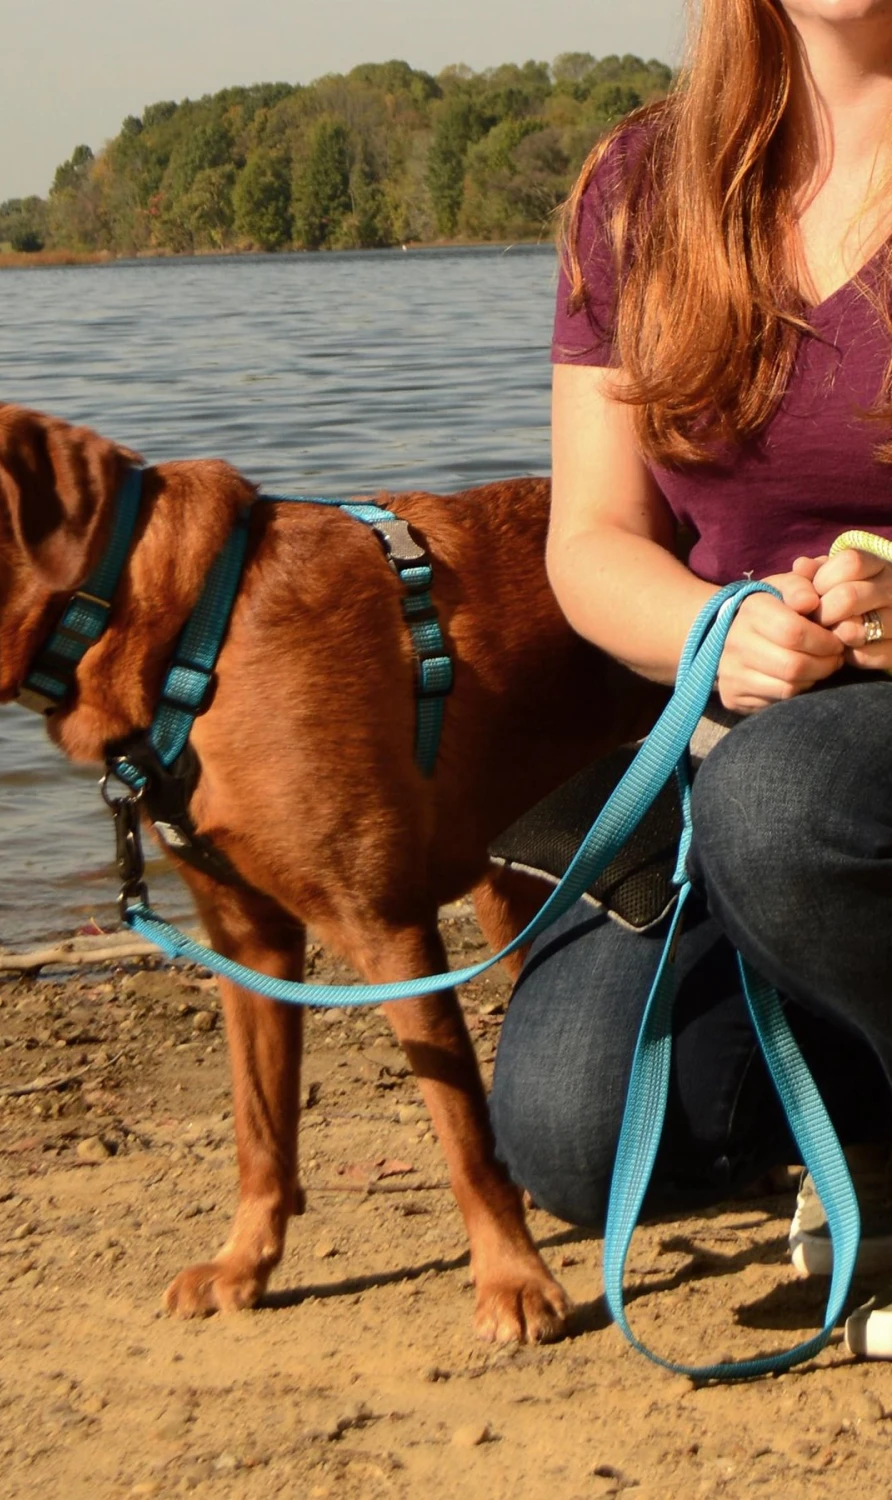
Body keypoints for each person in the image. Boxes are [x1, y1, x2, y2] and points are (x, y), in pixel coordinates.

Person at [490, 0, 892, 1280]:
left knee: (782, 800)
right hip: (740, 735)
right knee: (576, 1130)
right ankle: (860, 1105)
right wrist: (713, 631)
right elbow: (593, 541)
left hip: (812, 783)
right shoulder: (642, 181)